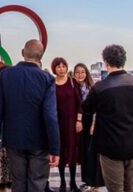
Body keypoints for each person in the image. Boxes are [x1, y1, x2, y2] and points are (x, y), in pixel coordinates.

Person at [0, 40, 60, 192]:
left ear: (22, 52)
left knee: (18, 182)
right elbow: (50, 115)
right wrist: (55, 148)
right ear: (41, 56)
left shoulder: (6, 75)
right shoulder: (47, 79)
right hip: (40, 141)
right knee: (37, 183)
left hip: (13, 139)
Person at [82, 44, 133, 192]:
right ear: (123, 60)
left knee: (115, 188)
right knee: (129, 186)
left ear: (106, 62)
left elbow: (87, 108)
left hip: (111, 146)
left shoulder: (100, 87)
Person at [48, 58, 82, 192]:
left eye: (64, 66)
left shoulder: (73, 83)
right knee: (60, 151)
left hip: (71, 123)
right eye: (58, 67)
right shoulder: (51, 84)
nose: (61, 69)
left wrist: (79, 120)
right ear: (54, 69)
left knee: (72, 150)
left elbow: (80, 103)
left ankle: (73, 183)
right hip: (57, 123)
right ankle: (62, 182)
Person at [73, 63, 104, 191]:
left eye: (82, 72)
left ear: (87, 74)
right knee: (83, 153)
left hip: (90, 120)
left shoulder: (91, 88)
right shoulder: (73, 88)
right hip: (77, 122)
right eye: (77, 72)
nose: (80, 75)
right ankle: (86, 180)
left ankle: (94, 182)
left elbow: (97, 108)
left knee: (91, 152)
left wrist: (94, 123)